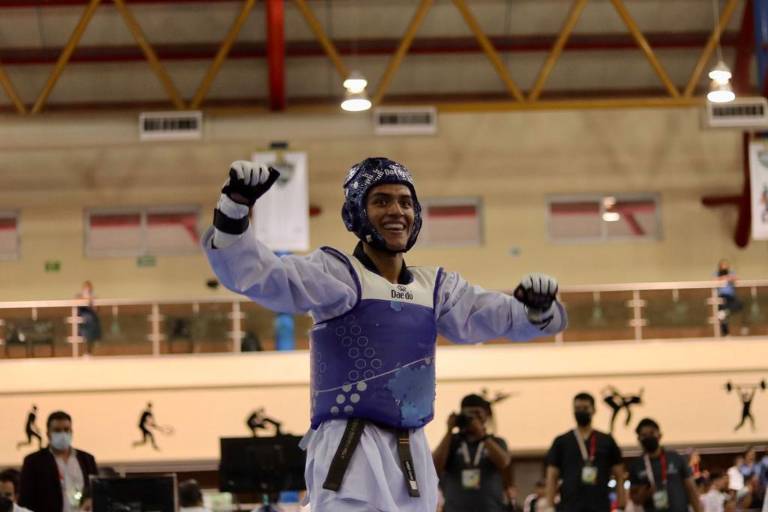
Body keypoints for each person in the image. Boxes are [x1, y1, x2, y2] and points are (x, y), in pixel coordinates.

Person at [203, 157, 567, 512]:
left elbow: (496, 315)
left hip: (413, 451)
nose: (397, 211)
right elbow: (264, 277)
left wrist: (538, 309)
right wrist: (234, 209)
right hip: (350, 449)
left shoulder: (436, 288)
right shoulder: (337, 273)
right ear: (356, 213)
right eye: (381, 201)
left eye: (406, 202)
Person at [543, 392, 625, 512]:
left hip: (599, 505)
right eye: (577, 408)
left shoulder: (607, 440)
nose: (581, 411)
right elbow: (552, 475)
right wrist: (549, 506)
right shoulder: (561, 441)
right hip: (570, 506)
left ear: (593, 410)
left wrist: (621, 505)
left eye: (585, 408)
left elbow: (619, 474)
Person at [433, 394, 512, 512]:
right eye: (469, 414)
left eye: (477, 414)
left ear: (485, 416)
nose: (473, 419)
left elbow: (504, 462)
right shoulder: (452, 442)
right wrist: (449, 430)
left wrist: (482, 435)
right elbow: (435, 466)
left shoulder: (495, 442)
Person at [19, 411, 98, 512]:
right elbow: (25, 501)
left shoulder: (87, 459)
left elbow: (96, 493)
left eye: (66, 430)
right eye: (57, 430)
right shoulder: (34, 462)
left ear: (71, 432)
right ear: (48, 433)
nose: (63, 434)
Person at [628, 418, 701, 512]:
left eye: (652, 433)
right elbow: (635, 500)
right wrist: (646, 492)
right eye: (644, 435)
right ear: (639, 439)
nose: (648, 437)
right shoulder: (636, 465)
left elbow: (691, 490)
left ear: (659, 435)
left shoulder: (676, 458)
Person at [714, 260, 742, 336]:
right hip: (721, 296)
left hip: (731, 296)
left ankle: (725, 313)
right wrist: (723, 278)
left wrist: (729, 277)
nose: (724, 268)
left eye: (726, 266)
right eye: (722, 266)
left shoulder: (731, 272)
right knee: (722, 315)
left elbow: (737, 279)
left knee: (739, 304)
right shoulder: (717, 273)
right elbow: (714, 281)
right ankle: (726, 334)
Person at [76, 281, 101, 352]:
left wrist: (91, 301)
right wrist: (85, 299)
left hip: (92, 321)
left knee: (92, 322)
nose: (87, 290)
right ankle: (85, 351)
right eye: (86, 288)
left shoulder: (94, 298)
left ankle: (90, 350)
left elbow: (96, 309)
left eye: (89, 289)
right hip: (82, 321)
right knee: (86, 325)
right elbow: (77, 305)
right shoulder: (79, 296)